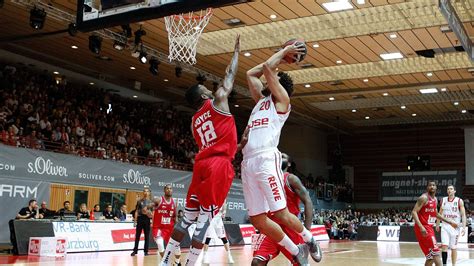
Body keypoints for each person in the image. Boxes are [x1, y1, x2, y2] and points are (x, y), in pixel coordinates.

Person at [160, 35, 241, 266]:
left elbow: (215, 139)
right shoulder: (218, 100)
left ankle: (165, 262)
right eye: (206, 88)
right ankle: (190, 264)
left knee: (186, 219)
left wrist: (238, 145)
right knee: (204, 221)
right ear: (204, 95)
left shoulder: (194, 120)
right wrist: (236, 54)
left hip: (201, 165)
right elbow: (229, 77)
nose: (210, 88)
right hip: (218, 166)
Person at [243, 40, 317, 264]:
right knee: (258, 219)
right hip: (247, 162)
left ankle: (309, 239)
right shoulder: (261, 102)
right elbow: (250, 74)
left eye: (272, 82)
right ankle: (295, 250)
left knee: (281, 214)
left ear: (278, 87)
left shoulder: (282, 102)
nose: (266, 82)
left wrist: (283, 53)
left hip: (266, 158)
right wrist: (281, 58)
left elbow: (266, 70)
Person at [252, 153, 320, 265]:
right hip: (271, 226)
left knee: (299, 263)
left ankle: (311, 242)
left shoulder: (291, 179)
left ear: (288, 163)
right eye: (278, 156)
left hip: (290, 227)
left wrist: (307, 232)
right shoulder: (267, 178)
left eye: (283, 157)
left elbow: (308, 201)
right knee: (256, 262)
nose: (279, 158)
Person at [412, 181, 459, 266]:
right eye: (430, 185)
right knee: (436, 253)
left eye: (434, 185)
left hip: (429, 228)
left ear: (436, 188)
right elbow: (414, 212)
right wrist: (421, 227)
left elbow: (436, 214)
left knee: (430, 258)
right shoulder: (424, 198)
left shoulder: (435, 200)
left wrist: (450, 222)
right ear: (427, 187)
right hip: (423, 228)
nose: (432, 187)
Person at [436, 185, 466, 266]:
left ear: (454, 191)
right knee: (444, 246)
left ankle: (453, 264)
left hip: (455, 227)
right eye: (448, 189)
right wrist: (437, 224)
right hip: (445, 226)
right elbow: (439, 213)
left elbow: (463, 215)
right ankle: (445, 264)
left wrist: (463, 227)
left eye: (451, 189)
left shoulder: (459, 201)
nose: (449, 190)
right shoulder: (443, 200)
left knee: (453, 248)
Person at [152, 184, 179, 262]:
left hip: (169, 228)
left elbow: (175, 216)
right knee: (160, 244)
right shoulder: (159, 200)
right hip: (158, 227)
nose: (169, 190)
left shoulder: (174, 201)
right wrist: (149, 212)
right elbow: (149, 207)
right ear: (164, 190)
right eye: (167, 188)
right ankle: (165, 262)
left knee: (176, 248)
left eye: (170, 188)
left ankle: (177, 262)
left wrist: (177, 225)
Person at [131, 187, 153, 256]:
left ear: (149, 193)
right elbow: (136, 211)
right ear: (143, 192)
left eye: (147, 191)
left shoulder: (151, 202)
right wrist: (135, 221)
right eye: (144, 191)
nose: (146, 192)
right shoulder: (139, 201)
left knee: (147, 236)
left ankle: (146, 251)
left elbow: (152, 213)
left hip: (147, 219)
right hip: (140, 219)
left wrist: (151, 217)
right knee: (137, 236)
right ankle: (135, 251)